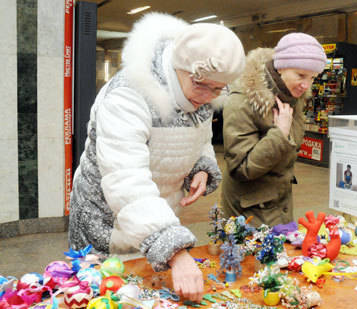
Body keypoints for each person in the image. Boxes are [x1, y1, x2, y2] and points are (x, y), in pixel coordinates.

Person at [68, 13, 245, 302]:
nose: (209, 96)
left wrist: (201, 166)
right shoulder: (128, 96)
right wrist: (175, 251)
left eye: (217, 89)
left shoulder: (202, 90)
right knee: (108, 297)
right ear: (179, 66)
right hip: (107, 225)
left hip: (157, 219)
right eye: (202, 85)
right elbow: (126, 180)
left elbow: (201, 139)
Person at [221, 33, 326, 226]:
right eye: (301, 75)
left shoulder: (293, 98)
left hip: (280, 206)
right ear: (281, 67)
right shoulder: (243, 100)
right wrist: (279, 135)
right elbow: (240, 168)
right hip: (249, 213)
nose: (306, 85)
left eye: (313, 77)